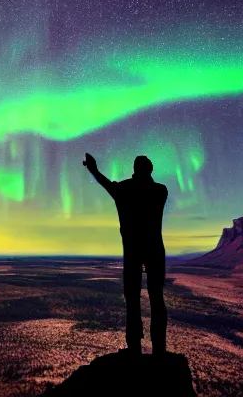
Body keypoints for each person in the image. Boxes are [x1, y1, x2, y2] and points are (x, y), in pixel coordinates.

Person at [82, 152, 168, 355]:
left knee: (132, 298)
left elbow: (108, 185)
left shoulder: (125, 190)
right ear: (150, 170)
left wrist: (94, 170)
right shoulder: (160, 190)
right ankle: (159, 349)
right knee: (156, 298)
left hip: (132, 251)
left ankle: (135, 347)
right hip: (155, 249)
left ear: (135, 169)